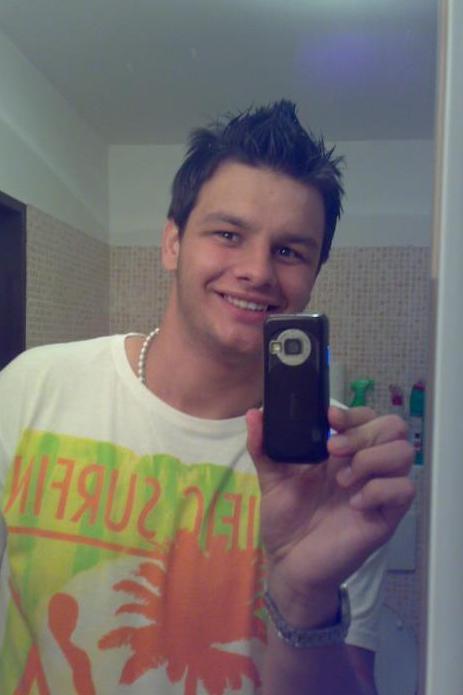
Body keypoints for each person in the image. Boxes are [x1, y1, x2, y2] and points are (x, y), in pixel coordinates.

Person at [0, 100, 414, 695]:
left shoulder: (339, 467)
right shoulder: (33, 390)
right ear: (172, 242)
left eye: (289, 251)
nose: (257, 271)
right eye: (228, 234)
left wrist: (304, 595)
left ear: (313, 274)